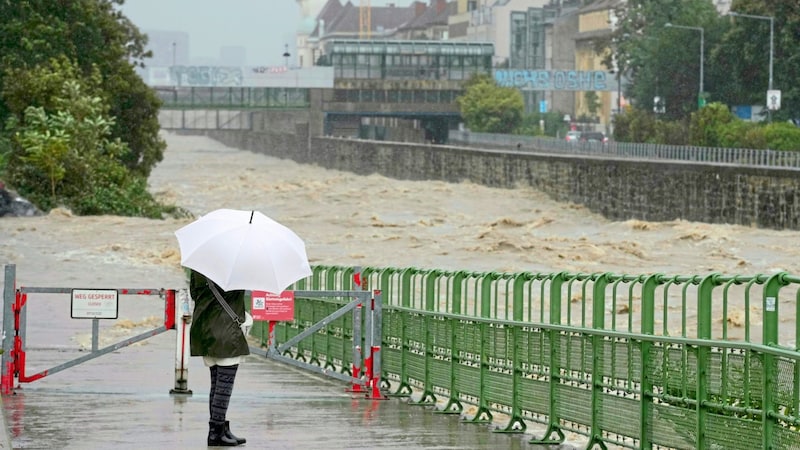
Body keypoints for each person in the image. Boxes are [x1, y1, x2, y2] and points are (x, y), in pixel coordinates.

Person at [189, 269, 249, 447]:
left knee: (216, 383)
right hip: (225, 330)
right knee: (224, 386)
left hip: (205, 329)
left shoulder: (198, 269)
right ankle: (216, 433)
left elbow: (194, 294)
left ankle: (220, 428)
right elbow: (236, 294)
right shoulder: (234, 270)